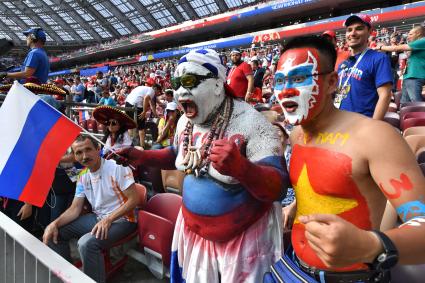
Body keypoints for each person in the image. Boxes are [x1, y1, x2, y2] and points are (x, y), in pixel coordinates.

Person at [108, 49, 289, 282]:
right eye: (177, 83)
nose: (181, 90)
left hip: (243, 246)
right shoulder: (185, 120)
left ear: (216, 85)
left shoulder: (252, 122)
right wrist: (142, 156)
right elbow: (177, 154)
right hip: (194, 238)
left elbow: (278, 187)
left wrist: (242, 169)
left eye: (190, 81)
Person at [265, 35, 425, 283]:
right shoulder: (298, 134)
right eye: (279, 80)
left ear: (331, 83)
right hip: (292, 266)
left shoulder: (375, 137)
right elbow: (321, 189)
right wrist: (294, 206)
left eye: (299, 78)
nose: (285, 90)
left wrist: (370, 245)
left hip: (352, 277)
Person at [42, 135, 138, 283]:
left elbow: (134, 199)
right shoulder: (82, 176)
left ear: (98, 149)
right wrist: (53, 224)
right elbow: (75, 208)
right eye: (79, 153)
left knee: (86, 244)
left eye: (88, 150)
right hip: (98, 218)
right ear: (74, 155)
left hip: (123, 220)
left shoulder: (116, 167)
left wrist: (109, 219)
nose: (84, 156)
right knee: (56, 232)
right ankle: (69, 277)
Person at [335, 14, 392, 120]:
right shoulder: (343, 63)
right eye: (349, 30)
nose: (352, 33)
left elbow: (385, 96)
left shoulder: (379, 58)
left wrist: (372, 127)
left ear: (370, 31)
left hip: (362, 124)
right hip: (339, 122)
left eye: (359, 29)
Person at [375, 26, 425, 103]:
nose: (408, 36)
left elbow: (396, 49)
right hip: (409, 76)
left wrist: (380, 47)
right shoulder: (416, 44)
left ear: (418, 33)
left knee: (416, 104)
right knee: (404, 103)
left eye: (411, 34)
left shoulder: (422, 41)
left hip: (415, 76)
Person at [125, 84, 162, 148]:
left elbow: (152, 104)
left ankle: (129, 144)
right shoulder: (152, 90)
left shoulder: (144, 89)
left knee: (130, 125)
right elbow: (146, 98)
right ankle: (142, 146)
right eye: (158, 92)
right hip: (135, 105)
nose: (158, 94)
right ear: (156, 89)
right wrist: (144, 111)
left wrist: (155, 114)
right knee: (141, 128)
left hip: (127, 103)